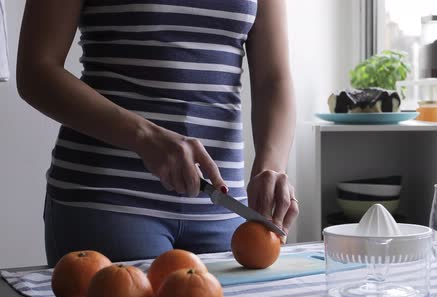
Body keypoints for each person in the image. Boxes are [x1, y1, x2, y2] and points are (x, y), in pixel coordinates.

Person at [17, 0, 298, 267]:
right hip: (109, 201)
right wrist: (143, 136)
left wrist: (270, 168)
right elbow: (37, 70)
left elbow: (273, 80)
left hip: (225, 209)